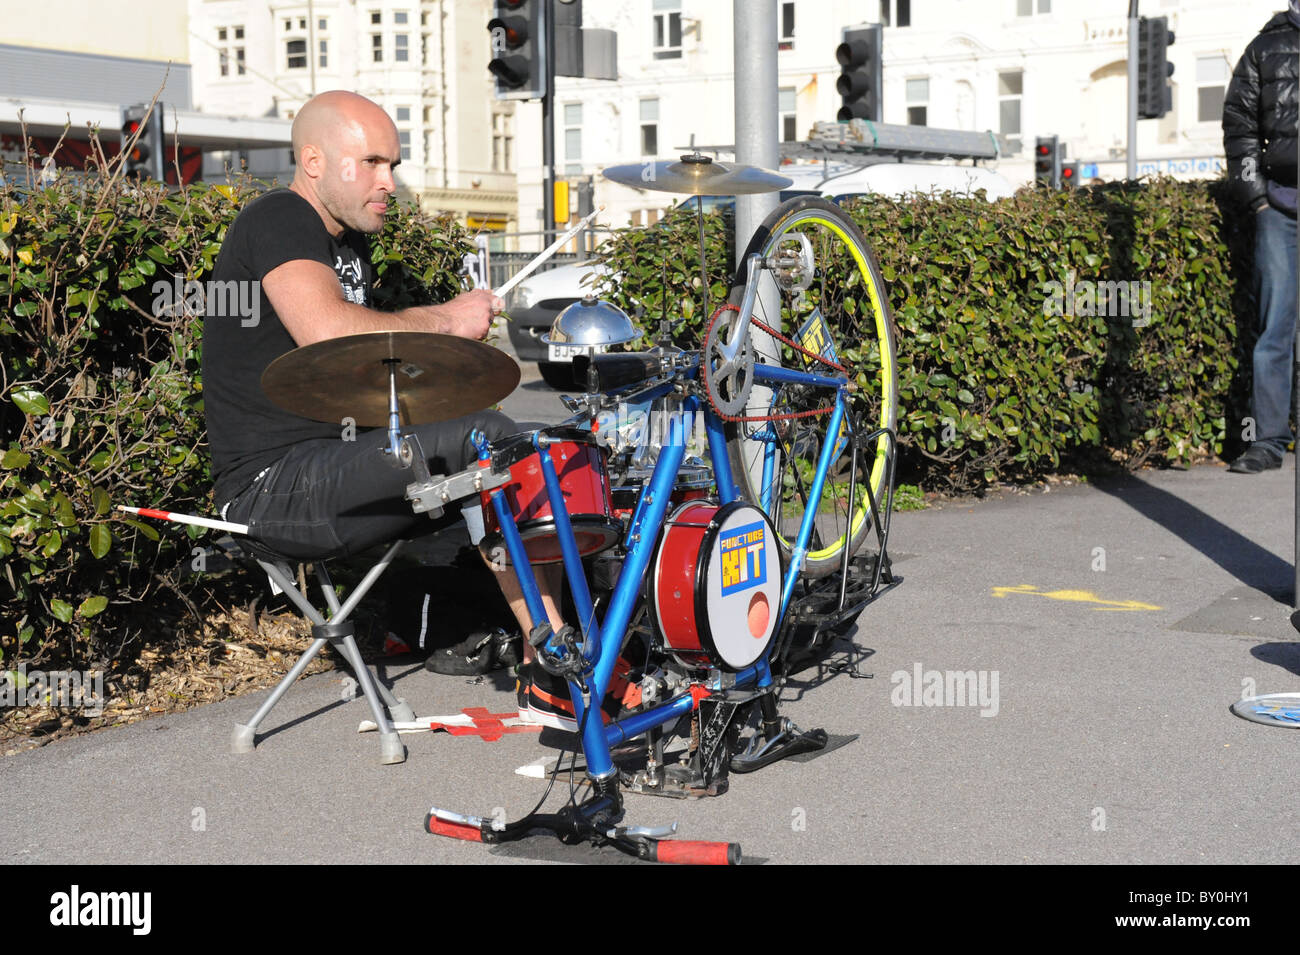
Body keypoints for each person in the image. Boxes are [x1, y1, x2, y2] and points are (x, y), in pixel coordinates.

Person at [203, 90, 575, 726]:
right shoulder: (278, 219)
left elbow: (366, 379)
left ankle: (574, 640)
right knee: (490, 442)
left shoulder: (346, 246)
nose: (388, 182)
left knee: (546, 451)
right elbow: (330, 332)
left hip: (337, 462)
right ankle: (559, 671)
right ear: (314, 161)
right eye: (372, 162)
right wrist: (445, 320)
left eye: (393, 165)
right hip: (273, 487)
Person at [1222, 3, 1300, 473]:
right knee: (1275, 327)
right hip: (1281, 208)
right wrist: (1257, 199)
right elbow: (1240, 127)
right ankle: (1268, 441)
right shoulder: (1263, 49)